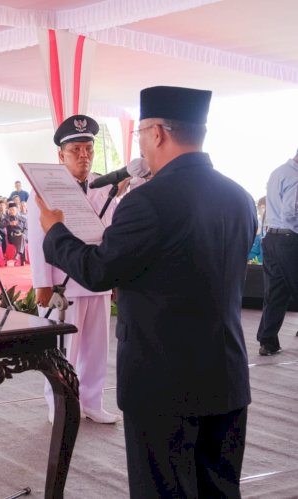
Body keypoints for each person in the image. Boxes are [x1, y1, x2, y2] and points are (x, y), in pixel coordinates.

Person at [35, 86, 254, 498]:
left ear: (157, 134)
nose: (140, 145)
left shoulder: (148, 202)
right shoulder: (239, 197)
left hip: (164, 383)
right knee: (219, 491)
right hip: (225, 377)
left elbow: (98, 271)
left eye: (140, 135)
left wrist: (55, 232)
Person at [27, 114, 122, 424]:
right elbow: (38, 238)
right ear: (60, 155)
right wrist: (41, 282)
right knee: (62, 349)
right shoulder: (44, 188)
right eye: (76, 150)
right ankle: (60, 404)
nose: (84, 156)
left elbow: (113, 233)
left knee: (96, 347)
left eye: (88, 149)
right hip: (62, 283)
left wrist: (115, 277)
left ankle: (92, 402)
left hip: (96, 279)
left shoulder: (103, 186)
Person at [256, 150, 298, 355]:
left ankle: (268, 341)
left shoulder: (278, 172)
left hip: (271, 238)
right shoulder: (296, 176)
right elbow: (290, 212)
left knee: (276, 291)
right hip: (289, 239)